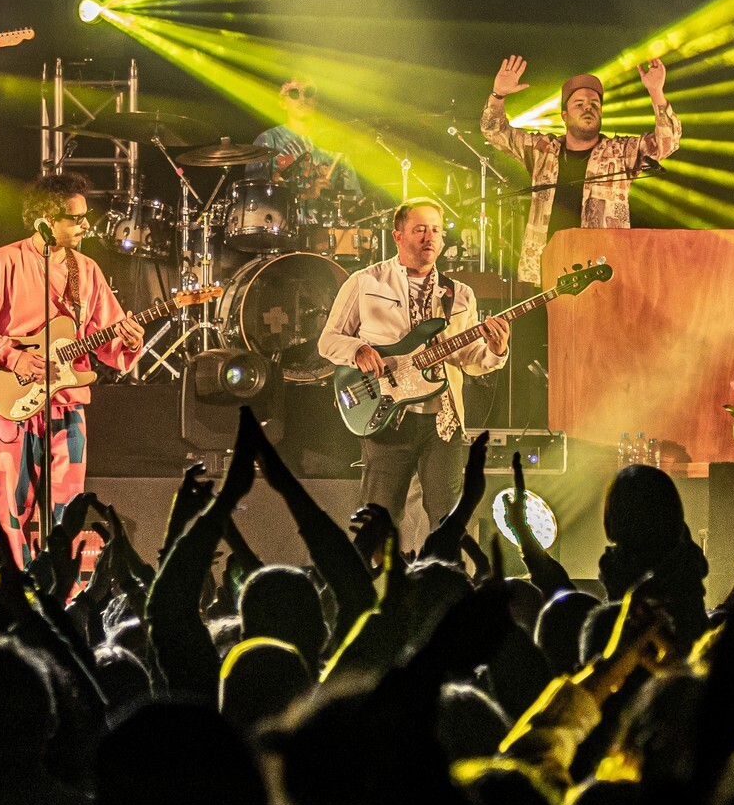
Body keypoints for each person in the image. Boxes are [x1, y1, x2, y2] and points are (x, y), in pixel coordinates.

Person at [0, 172, 143, 560]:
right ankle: (14, 587)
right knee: (11, 509)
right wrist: (13, 356)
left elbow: (108, 338)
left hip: (67, 406)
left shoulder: (86, 270)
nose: (86, 225)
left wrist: (130, 340)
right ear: (46, 221)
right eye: (76, 218)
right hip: (11, 407)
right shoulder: (2, 263)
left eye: (85, 217)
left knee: (68, 511)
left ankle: (59, 586)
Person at [316, 198, 511, 537]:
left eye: (436, 230)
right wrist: (358, 349)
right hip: (388, 415)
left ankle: (442, 573)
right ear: (398, 236)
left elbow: (468, 359)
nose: (429, 237)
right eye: (420, 229)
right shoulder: (366, 282)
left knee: (448, 523)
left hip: (443, 421)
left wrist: (496, 350)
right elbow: (328, 340)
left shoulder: (459, 294)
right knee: (378, 522)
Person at [482, 55, 679, 285]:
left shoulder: (620, 151)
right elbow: (494, 132)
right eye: (579, 104)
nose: (588, 108)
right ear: (564, 116)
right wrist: (498, 95)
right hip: (548, 269)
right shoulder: (542, 151)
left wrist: (656, 92)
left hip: (602, 271)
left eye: (595, 104)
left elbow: (667, 143)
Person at [248, 78, 359, 200]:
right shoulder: (268, 140)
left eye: (309, 92)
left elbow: (353, 196)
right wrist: (306, 195)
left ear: (316, 99)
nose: (303, 99)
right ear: (282, 102)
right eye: (294, 93)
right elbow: (254, 197)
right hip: (284, 213)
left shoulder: (336, 140)